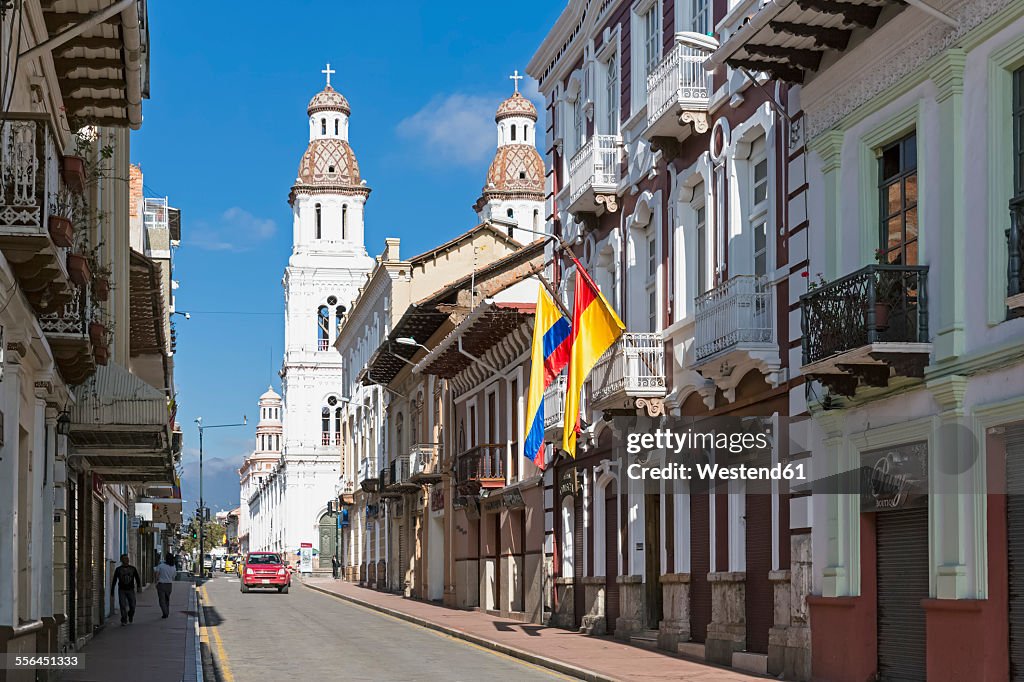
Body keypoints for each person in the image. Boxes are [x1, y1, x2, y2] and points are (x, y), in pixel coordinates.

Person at [110, 554, 141, 626]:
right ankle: (124, 619)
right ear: (121, 560)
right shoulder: (118, 570)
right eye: (124, 559)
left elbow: (137, 578)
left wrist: (139, 586)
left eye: (127, 558)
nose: (126, 560)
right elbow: (114, 580)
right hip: (122, 590)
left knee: (133, 605)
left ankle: (130, 615)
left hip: (130, 590)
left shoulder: (133, 569)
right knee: (122, 605)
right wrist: (112, 591)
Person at [154, 553, 177, 618]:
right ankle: (167, 611)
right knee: (167, 599)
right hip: (169, 585)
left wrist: (156, 582)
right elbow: (173, 577)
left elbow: (157, 575)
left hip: (161, 584)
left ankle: (165, 613)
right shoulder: (173, 567)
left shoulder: (161, 566)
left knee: (162, 600)